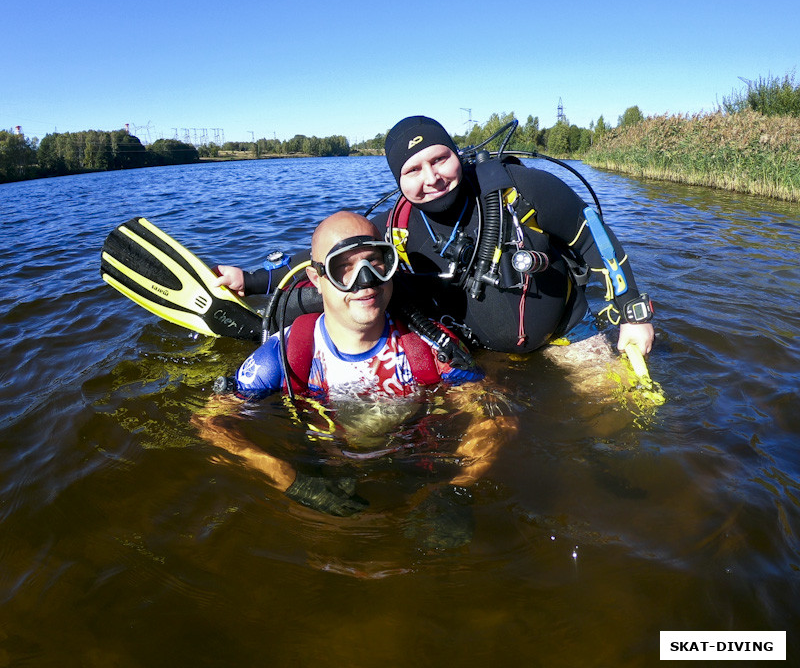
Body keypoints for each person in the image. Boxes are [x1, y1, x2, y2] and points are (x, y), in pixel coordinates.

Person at [196, 211, 517, 546]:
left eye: (375, 262)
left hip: (418, 473)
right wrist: (288, 478)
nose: (365, 280)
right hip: (323, 470)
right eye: (342, 267)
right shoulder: (287, 353)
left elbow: (496, 417)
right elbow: (210, 421)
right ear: (316, 279)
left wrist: (459, 485)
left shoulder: (429, 348)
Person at [216, 116, 654, 359]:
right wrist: (251, 281)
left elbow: (593, 236)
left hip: (566, 335)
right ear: (397, 178)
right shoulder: (395, 225)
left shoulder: (524, 190)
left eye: (440, 159)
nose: (432, 178)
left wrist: (631, 309)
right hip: (474, 355)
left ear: (456, 156)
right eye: (413, 170)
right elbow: (333, 262)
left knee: (615, 427)